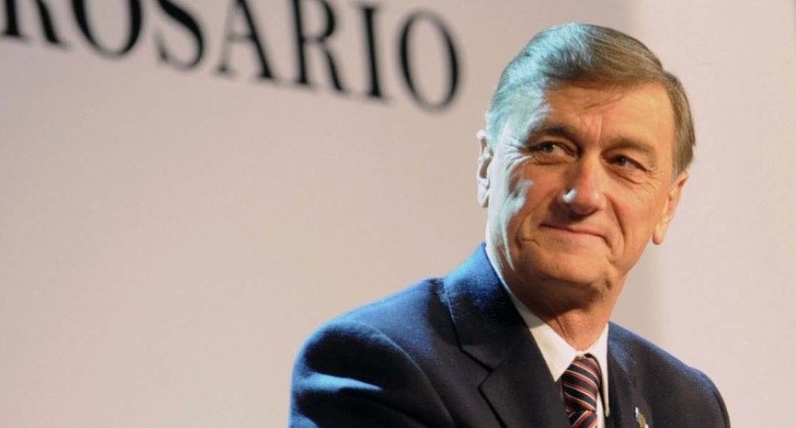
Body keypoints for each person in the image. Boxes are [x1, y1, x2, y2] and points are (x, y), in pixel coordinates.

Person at [289, 23, 730, 428]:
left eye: (624, 162)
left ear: (668, 203)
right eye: (552, 148)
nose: (585, 195)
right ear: (486, 166)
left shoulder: (688, 406)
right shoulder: (378, 364)